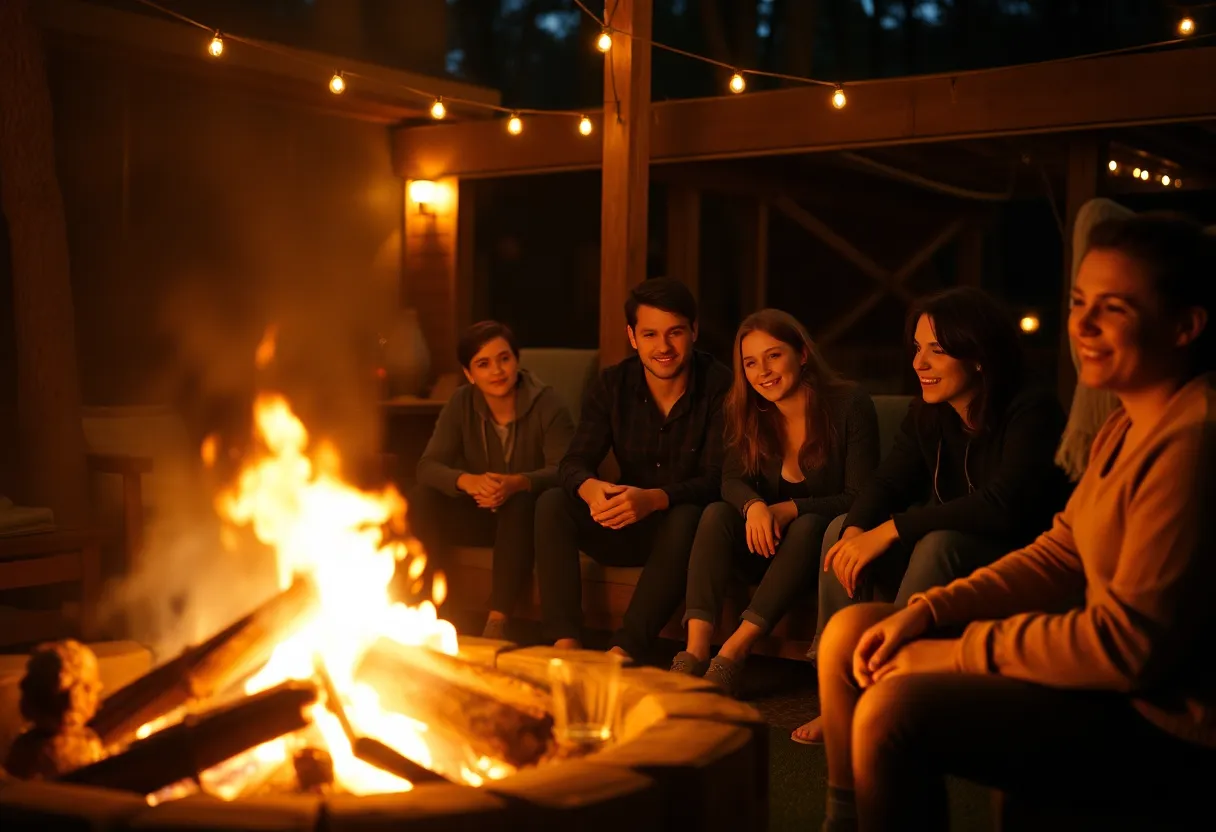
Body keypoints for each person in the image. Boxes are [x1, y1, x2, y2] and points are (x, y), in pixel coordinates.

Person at [813, 213, 1216, 831]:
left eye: (1113, 308)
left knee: (892, 707)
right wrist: (926, 612)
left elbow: (1127, 647)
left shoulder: (1192, 441)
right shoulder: (1125, 424)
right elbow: (1061, 550)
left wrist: (952, 653)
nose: (1082, 325)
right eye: (1078, 302)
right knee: (850, 631)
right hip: (1106, 675)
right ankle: (842, 819)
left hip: (1162, 719)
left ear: (1185, 325)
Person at [793, 286, 1070, 743]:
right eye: (917, 348)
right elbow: (887, 482)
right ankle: (838, 687)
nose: (919, 363)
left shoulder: (1031, 408)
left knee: (938, 542)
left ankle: (885, 690)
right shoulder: (929, 412)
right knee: (841, 530)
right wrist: (859, 527)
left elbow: (1003, 506)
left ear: (978, 356)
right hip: (950, 546)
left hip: (1019, 556)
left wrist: (893, 529)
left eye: (936, 351)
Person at [670, 310, 880, 695]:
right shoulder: (745, 408)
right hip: (762, 545)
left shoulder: (849, 404)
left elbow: (861, 496)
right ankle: (695, 649)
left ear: (802, 354)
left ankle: (734, 651)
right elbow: (731, 480)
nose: (763, 372)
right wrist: (753, 506)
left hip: (816, 557)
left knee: (809, 524)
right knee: (717, 513)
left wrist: (789, 509)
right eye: (750, 363)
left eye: (773, 356)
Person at [534, 278, 732, 660]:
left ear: (694, 330)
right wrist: (590, 487)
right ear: (632, 336)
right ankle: (565, 646)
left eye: (675, 332)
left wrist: (655, 499)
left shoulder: (720, 386)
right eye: (650, 334)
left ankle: (625, 650)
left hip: (683, 536)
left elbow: (718, 480)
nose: (663, 347)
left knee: (688, 516)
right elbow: (573, 462)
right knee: (553, 503)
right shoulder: (613, 384)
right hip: (624, 522)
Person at [409, 321, 574, 639]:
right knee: (421, 497)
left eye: (504, 359)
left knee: (522, 501)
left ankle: (497, 621)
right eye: (483, 364)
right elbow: (427, 466)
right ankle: (433, 612)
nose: (497, 371)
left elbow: (566, 469)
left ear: (517, 360)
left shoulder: (548, 403)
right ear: (469, 374)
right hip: (480, 513)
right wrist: (466, 481)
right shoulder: (461, 402)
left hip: (528, 518)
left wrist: (518, 482)